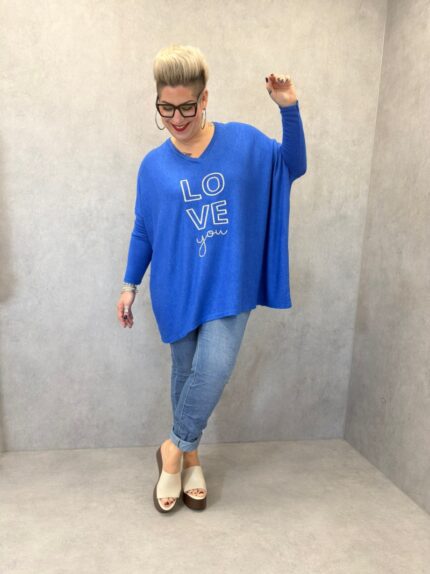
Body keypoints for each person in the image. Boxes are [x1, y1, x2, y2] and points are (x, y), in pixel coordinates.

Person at [116, 44, 307, 513]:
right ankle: (191, 457)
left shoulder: (243, 143)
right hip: (176, 287)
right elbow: (144, 229)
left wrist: (289, 109)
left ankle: (171, 449)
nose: (176, 119)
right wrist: (129, 285)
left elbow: (293, 165)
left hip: (229, 282)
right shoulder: (153, 166)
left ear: (204, 99)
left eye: (186, 107)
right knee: (185, 375)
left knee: (214, 368)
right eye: (166, 108)